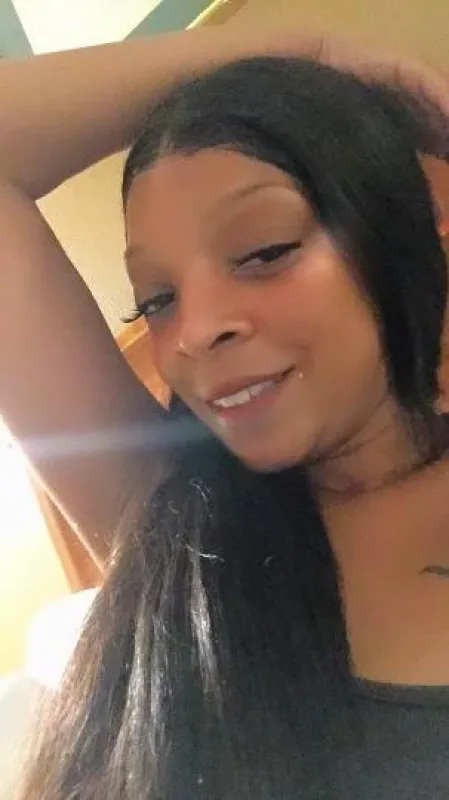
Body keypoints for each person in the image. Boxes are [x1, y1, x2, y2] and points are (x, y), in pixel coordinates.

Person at [0, 27, 448, 800]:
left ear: (391, 237)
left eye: (263, 251)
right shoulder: (170, 525)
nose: (196, 329)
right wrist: (302, 50)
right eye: (156, 299)